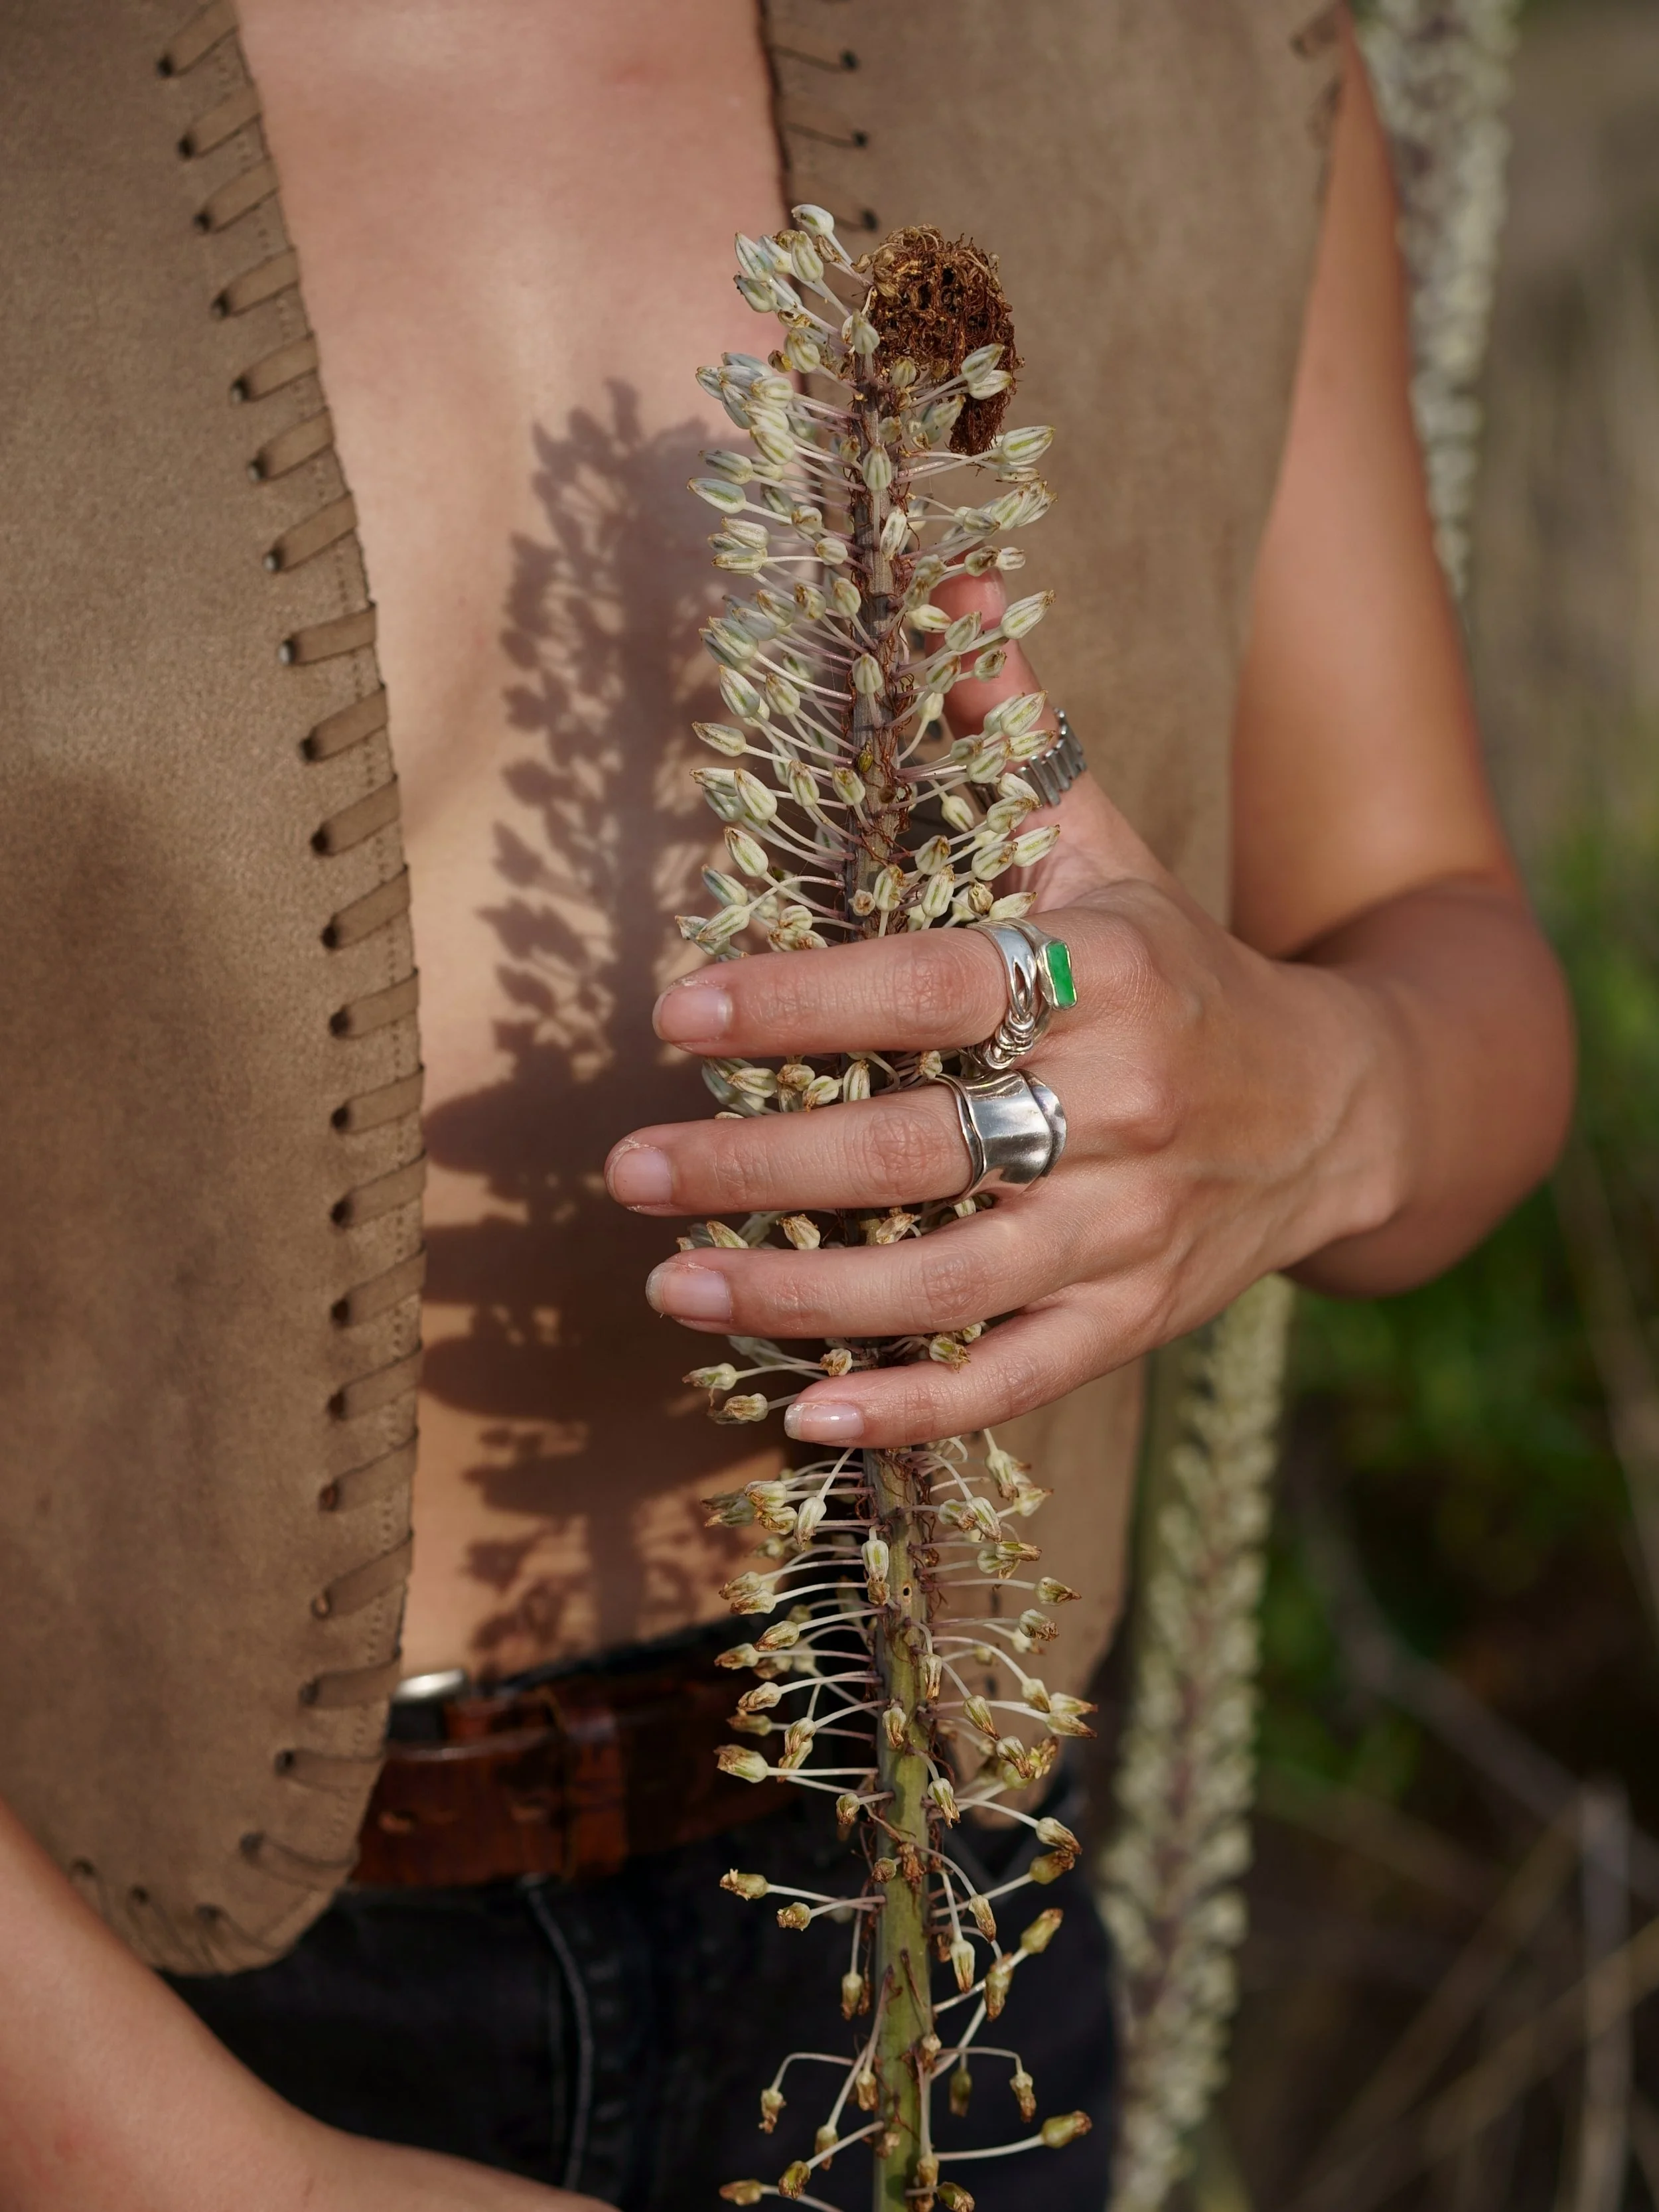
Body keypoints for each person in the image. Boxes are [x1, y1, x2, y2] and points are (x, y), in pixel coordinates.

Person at [0, 3, 1573, 2209]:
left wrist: (1320, 1093)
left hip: (944, 1956)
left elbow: (1442, 938)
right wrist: (157, 2150)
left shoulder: (1184, 47)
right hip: (93, 1997)